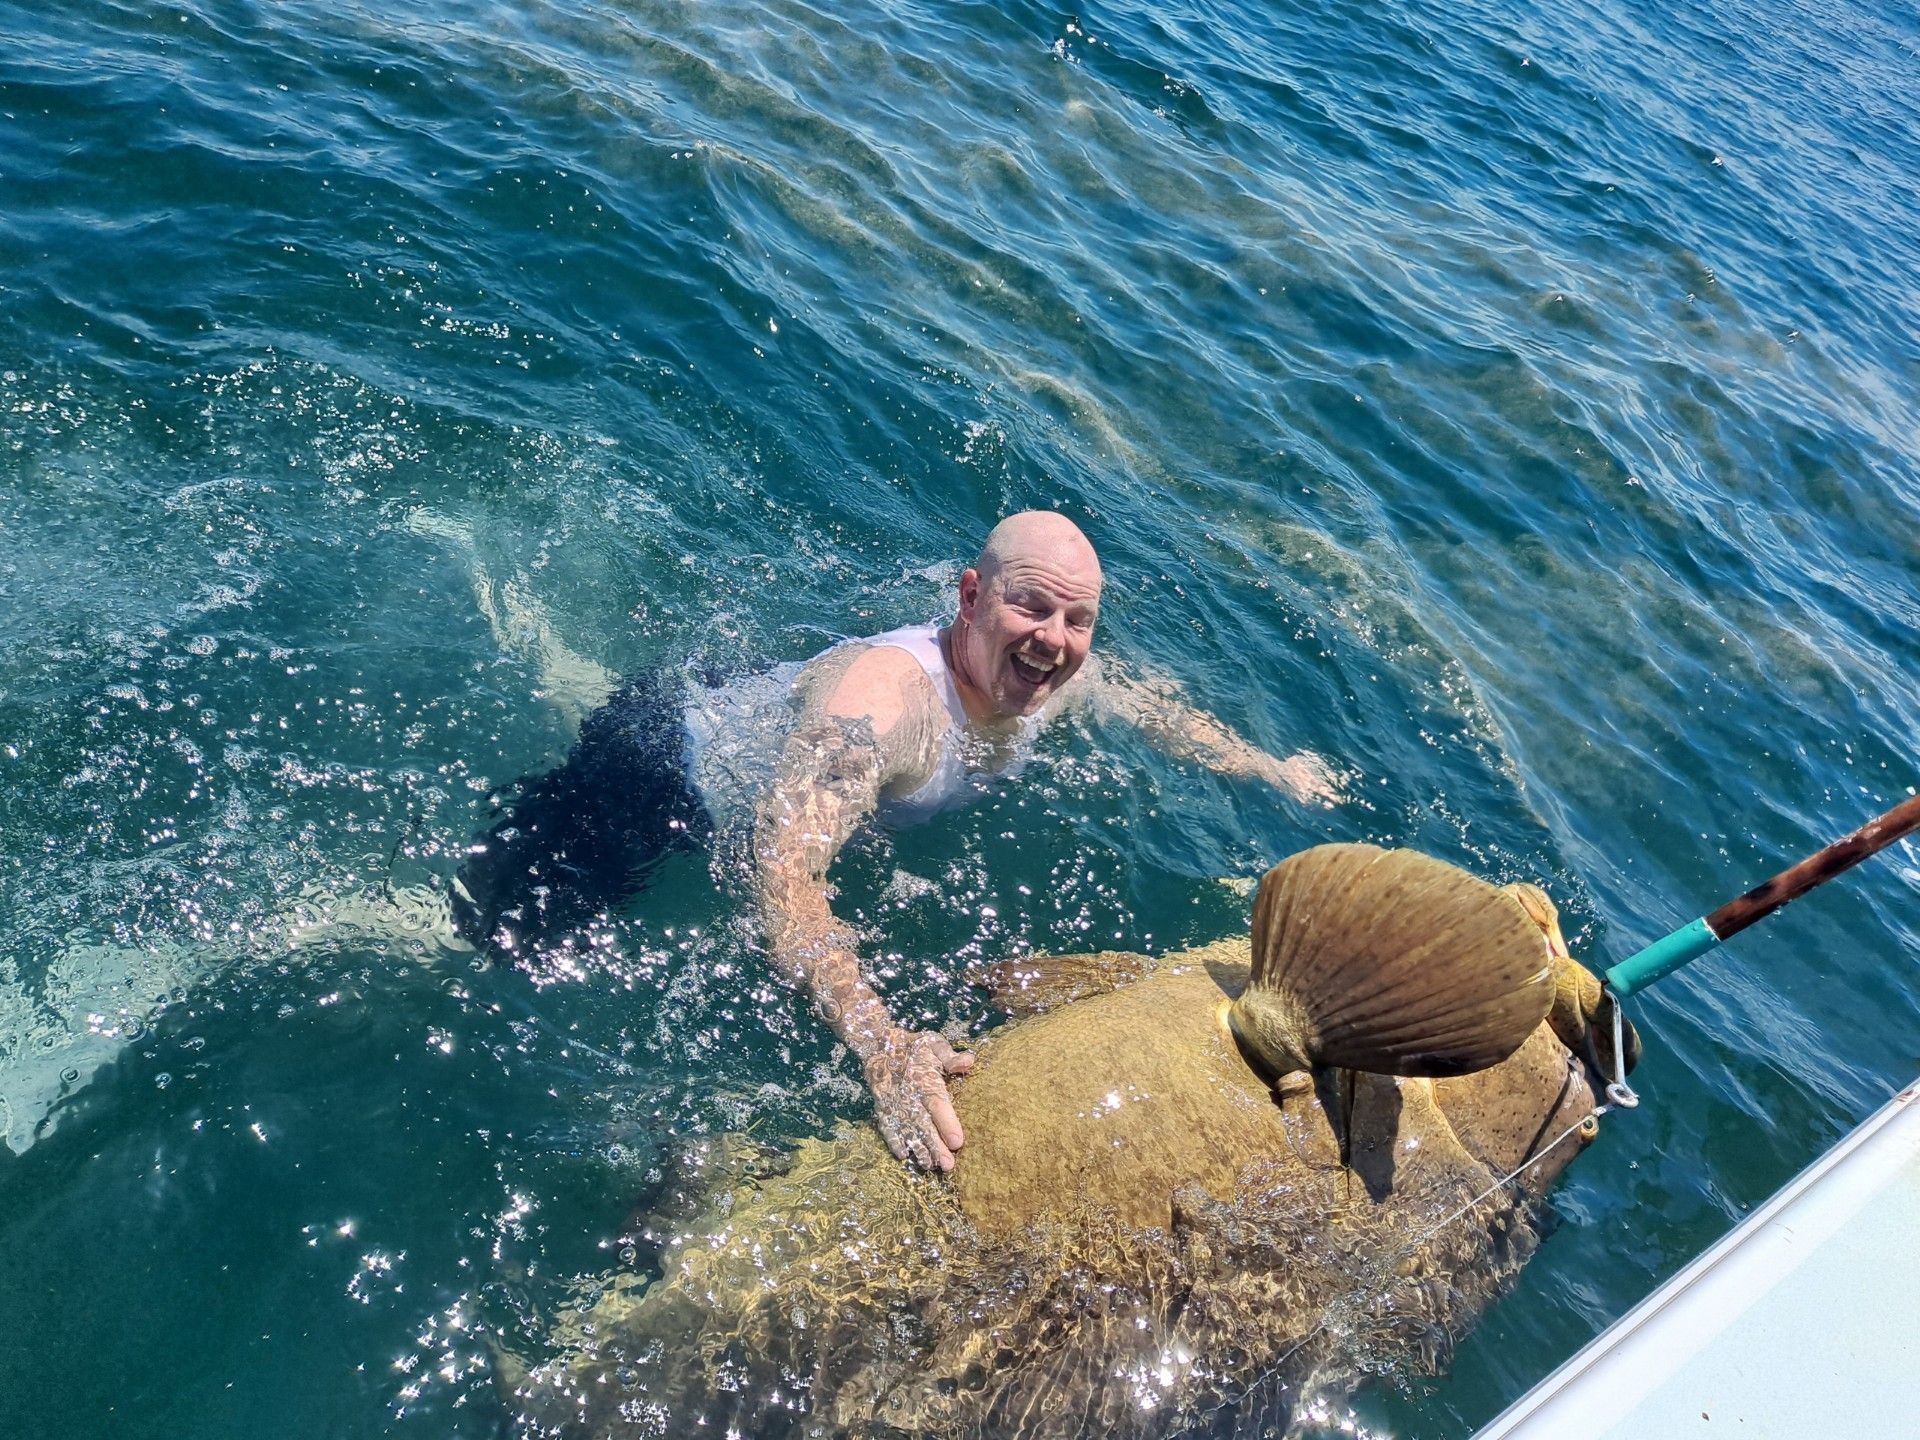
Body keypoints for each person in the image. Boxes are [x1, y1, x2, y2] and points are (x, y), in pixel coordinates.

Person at [452, 511, 1340, 1170]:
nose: (1055, 642)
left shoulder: (1054, 674)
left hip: (752, 707)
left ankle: (566, 670)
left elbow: (1139, 703)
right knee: (479, 940)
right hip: (659, 780)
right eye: (1031, 609)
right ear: (969, 597)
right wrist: (882, 1045)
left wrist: (1267, 768)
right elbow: (785, 869)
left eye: (1077, 623)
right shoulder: (888, 706)